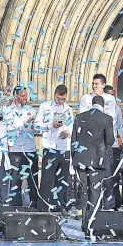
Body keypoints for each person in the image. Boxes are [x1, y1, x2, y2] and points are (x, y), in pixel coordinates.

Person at [71, 95, 114, 233]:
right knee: (95, 191)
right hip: (98, 160)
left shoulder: (79, 117)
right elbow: (110, 140)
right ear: (103, 105)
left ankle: (84, 223)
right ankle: (93, 223)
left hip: (81, 159)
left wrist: (74, 159)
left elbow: (74, 140)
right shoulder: (107, 118)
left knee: (84, 190)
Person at [78, 74, 118, 210]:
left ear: (103, 85)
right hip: (88, 144)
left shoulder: (110, 99)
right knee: (87, 178)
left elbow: (110, 118)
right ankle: (87, 206)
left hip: (103, 142)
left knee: (106, 175)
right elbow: (82, 119)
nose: (95, 86)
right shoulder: (85, 98)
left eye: (97, 84)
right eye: (93, 83)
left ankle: (108, 205)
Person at [34, 84, 74, 215]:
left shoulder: (68, 109)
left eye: (62, 99)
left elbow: (72, 126)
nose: (60, 101)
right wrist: (50, 125)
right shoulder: (45, 106)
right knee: (47, 178)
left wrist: (68, 132)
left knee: (62, 179)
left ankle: (60, 205)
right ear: (54, 95)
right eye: (58, 99)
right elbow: (36, 125)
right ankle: (44, 206)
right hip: (50, 146)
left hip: (64, 147)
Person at [3, 86, 39, 208]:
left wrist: (35, 126)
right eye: (22, 95)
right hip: (16, 150)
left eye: (25, 95)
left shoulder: (31, 110)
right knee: (15, 180)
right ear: (16, 96)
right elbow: (9, 131)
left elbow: (36, 129)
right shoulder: (8, 111)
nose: (25, 98)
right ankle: (15, 206)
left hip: (30, 149)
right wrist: (25, 125)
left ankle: (34, 204)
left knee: (32, 179)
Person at [103, 85, 123, 210]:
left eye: (113, 94)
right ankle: (104, 201)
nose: (112, 97)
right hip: (100, 146)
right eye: (109, 94)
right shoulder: (99, 107)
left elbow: (119, 125)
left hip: (113, 146)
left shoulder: (116, 108)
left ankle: (116, 201)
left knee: (114, 174)